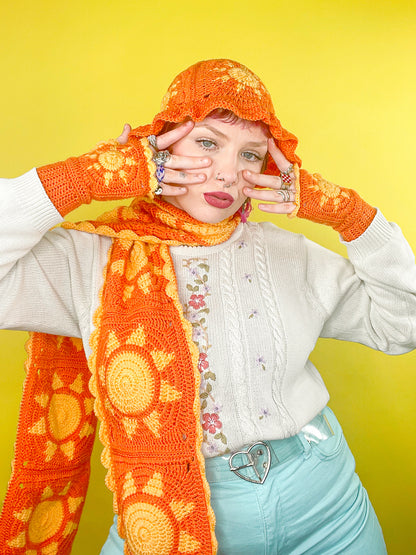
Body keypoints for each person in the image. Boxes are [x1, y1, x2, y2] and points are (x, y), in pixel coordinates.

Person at [0, 58, 415, 555]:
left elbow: (402, 326)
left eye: (251, 155)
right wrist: (85, 178)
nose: (228, 171)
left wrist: (352, 217)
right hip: (172, 519)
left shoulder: (290, 254)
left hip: (328, 509)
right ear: (161, 144)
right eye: (207, 142)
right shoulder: (89, 258)